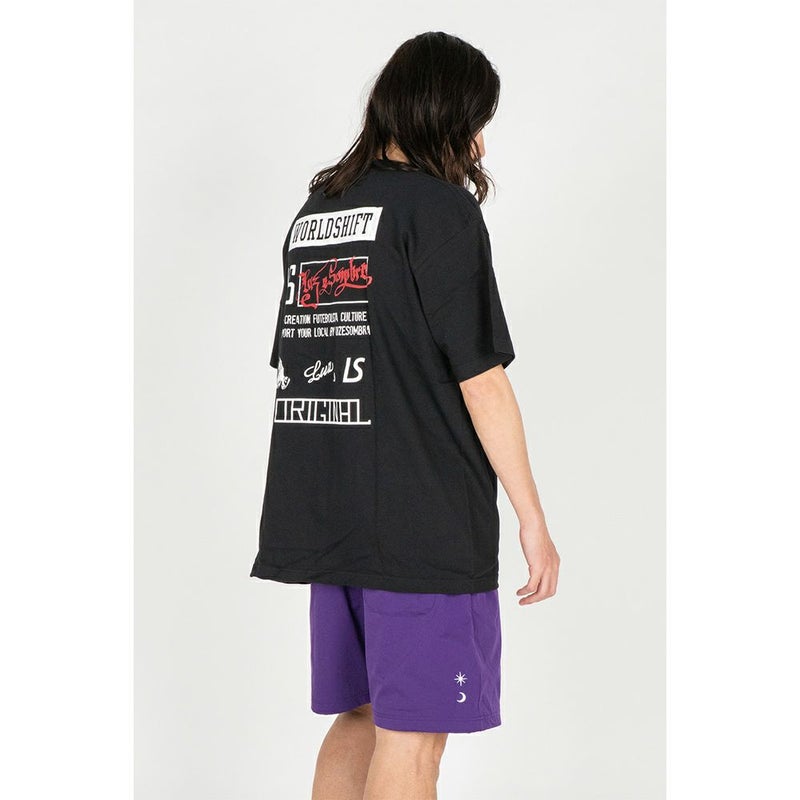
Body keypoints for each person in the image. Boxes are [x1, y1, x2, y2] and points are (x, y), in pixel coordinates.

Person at [250, 30, 560, 800]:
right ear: (445, 114)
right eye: (476, 121)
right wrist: (531, 517)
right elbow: (481, 380)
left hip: (330, 516)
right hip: (422, 523)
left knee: (360, 717)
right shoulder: (439, 210)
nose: (480, 142)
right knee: (413, 737)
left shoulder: (319, 210)